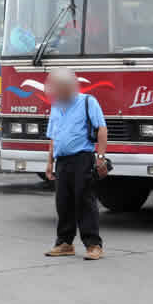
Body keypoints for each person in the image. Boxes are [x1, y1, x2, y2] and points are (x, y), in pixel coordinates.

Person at [43, 68, 109, 261]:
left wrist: (101, 157)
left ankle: (93, 245)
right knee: (63, 202)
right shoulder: (56, 106)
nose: (54, 92)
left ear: (68, 87)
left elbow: (101, 129)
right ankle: (64, 243)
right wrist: (50, 162)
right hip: (62, 160)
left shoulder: (88, 102)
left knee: (84, 201)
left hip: (82, 157)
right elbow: (54, 136)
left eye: (58, 88)